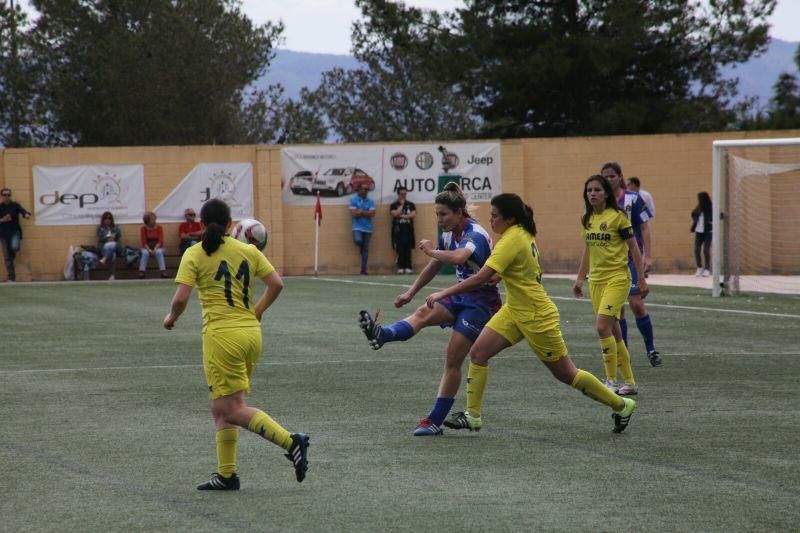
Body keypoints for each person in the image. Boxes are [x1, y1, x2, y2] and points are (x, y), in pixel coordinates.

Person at [425, 193, 637, 434]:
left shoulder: (511, 240)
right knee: (478, 353)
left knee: (566, 374)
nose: (490, 220)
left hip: (537, 316)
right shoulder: (520, 234)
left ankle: (621, 405)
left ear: (510, 218)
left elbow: (482, 277)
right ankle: (473, 416)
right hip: (515, 310)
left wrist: (443, 293)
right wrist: (495, 276)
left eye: (495, 216)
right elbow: (502, 272)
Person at [163, 198, 309, 490]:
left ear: (202, 225)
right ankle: (227, 475)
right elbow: (276, 284)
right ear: (231, 224)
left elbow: (180, 299)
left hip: (222, 337)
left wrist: (171, 318)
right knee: (221, 407)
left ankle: (291, 441)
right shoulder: (247, 250)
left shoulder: (195, 253)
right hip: (251, 334)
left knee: (230, 409)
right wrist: (258, 311)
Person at [358, 183, 501, 436]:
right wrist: (410, 293)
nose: (439, 219)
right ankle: (381, 336)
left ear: (459, 213)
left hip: (481, 303)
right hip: (461, 294)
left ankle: (435, 421)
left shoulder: (474, 233)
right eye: (436, 214)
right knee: (422, 313)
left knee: (452, 357)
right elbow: (435, 265)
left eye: (443, 214)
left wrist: (429, 250)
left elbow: (457, 258)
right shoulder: (449, 233)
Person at [573, 175, 649, 397]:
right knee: (615, 332)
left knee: (601, 327)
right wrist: (580, 278)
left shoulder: (618, 217)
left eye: (597, 190)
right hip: (596, 281)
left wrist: (641, 278)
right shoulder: (586, 219)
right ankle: (630, 382)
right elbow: (588, 250)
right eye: (589, 190)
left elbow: (634, 249)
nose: (592, 194)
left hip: (617, 278)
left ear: (606, 193)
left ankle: (611, 380)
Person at [601, 162, 662, 367]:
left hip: (631, 259)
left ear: (620, 177)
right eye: (605, 177)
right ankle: (623, 352)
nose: (609, 180)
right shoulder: (600, 202)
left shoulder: (633, 199)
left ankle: (651, 349)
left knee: (636, 303)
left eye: (612, 176)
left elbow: (644, 228)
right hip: (611, 262)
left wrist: (648, 257)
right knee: (618, 310)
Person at [0, 187, 32, 282]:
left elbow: (23, 211)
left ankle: (11, 255)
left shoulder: (15, 205)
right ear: (1, 196)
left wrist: (26, 215)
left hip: (14, 232)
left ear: (11, 195)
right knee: (7, 257)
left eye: (8, 195)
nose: (7, 197)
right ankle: (11, 277)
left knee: (14, 248)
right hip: (3, 234)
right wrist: (2, 220)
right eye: (5, 195)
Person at [349, 184, 376, 275]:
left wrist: (361, 211)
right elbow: (353, 215)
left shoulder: (371, 201)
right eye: (365, 189)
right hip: (357, 227)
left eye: (367, 189)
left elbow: (372, 214)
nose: (366, 191)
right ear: (359, 190)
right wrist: (366, 212)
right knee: (358, 240)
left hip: (368, 228)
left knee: (365, 250)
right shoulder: (354, 200)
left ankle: (363, 270)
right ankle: (361, 246)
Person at [390, 186, 416, 274]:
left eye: (405, 194)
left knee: (407, 248)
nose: (403, 196)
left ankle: (408, 267)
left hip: (408, 229)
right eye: (401, 194)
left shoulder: (411, 204)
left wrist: (401, 216)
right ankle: (400, 267)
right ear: (398, 194)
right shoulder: (393, 205)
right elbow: (394, 214)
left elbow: (412, 214)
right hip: (398, 230)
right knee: (399, 248)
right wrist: (401, 205)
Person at [139, 211, 168, 279]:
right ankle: (142, 271)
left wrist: (155, 249)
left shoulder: (159, 228)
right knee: (145, 253)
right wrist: (149, 250)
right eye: (152, 219)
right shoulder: (143, 229)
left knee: (159, 252)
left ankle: (163, 271)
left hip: (158, 247)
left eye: (154, 218)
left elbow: (160, 241)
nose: (154, 220)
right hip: (147, 247)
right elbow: (144, 242)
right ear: (147, 221)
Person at [691, 191, 712, 277]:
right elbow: (693, 214)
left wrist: (710, 221)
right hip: (699, 232)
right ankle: (699, 268)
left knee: (706, 250)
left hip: (708, 232)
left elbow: (714, 216)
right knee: (696, 250)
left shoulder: (710, 208)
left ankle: (707, 269)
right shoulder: (698, 208)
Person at [96, 211, 122, 280]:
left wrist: (113, 237)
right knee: (112, 255)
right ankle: (112, 275)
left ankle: (104, 258)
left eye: (109, 218)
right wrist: (107, 238)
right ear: (103, 220)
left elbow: (119, 235)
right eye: (106, 218)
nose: (108, 220)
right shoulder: (100, 228)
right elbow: (100, 237)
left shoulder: (115, 227)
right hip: (105, 248)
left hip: (116, 247)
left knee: (113, 244)